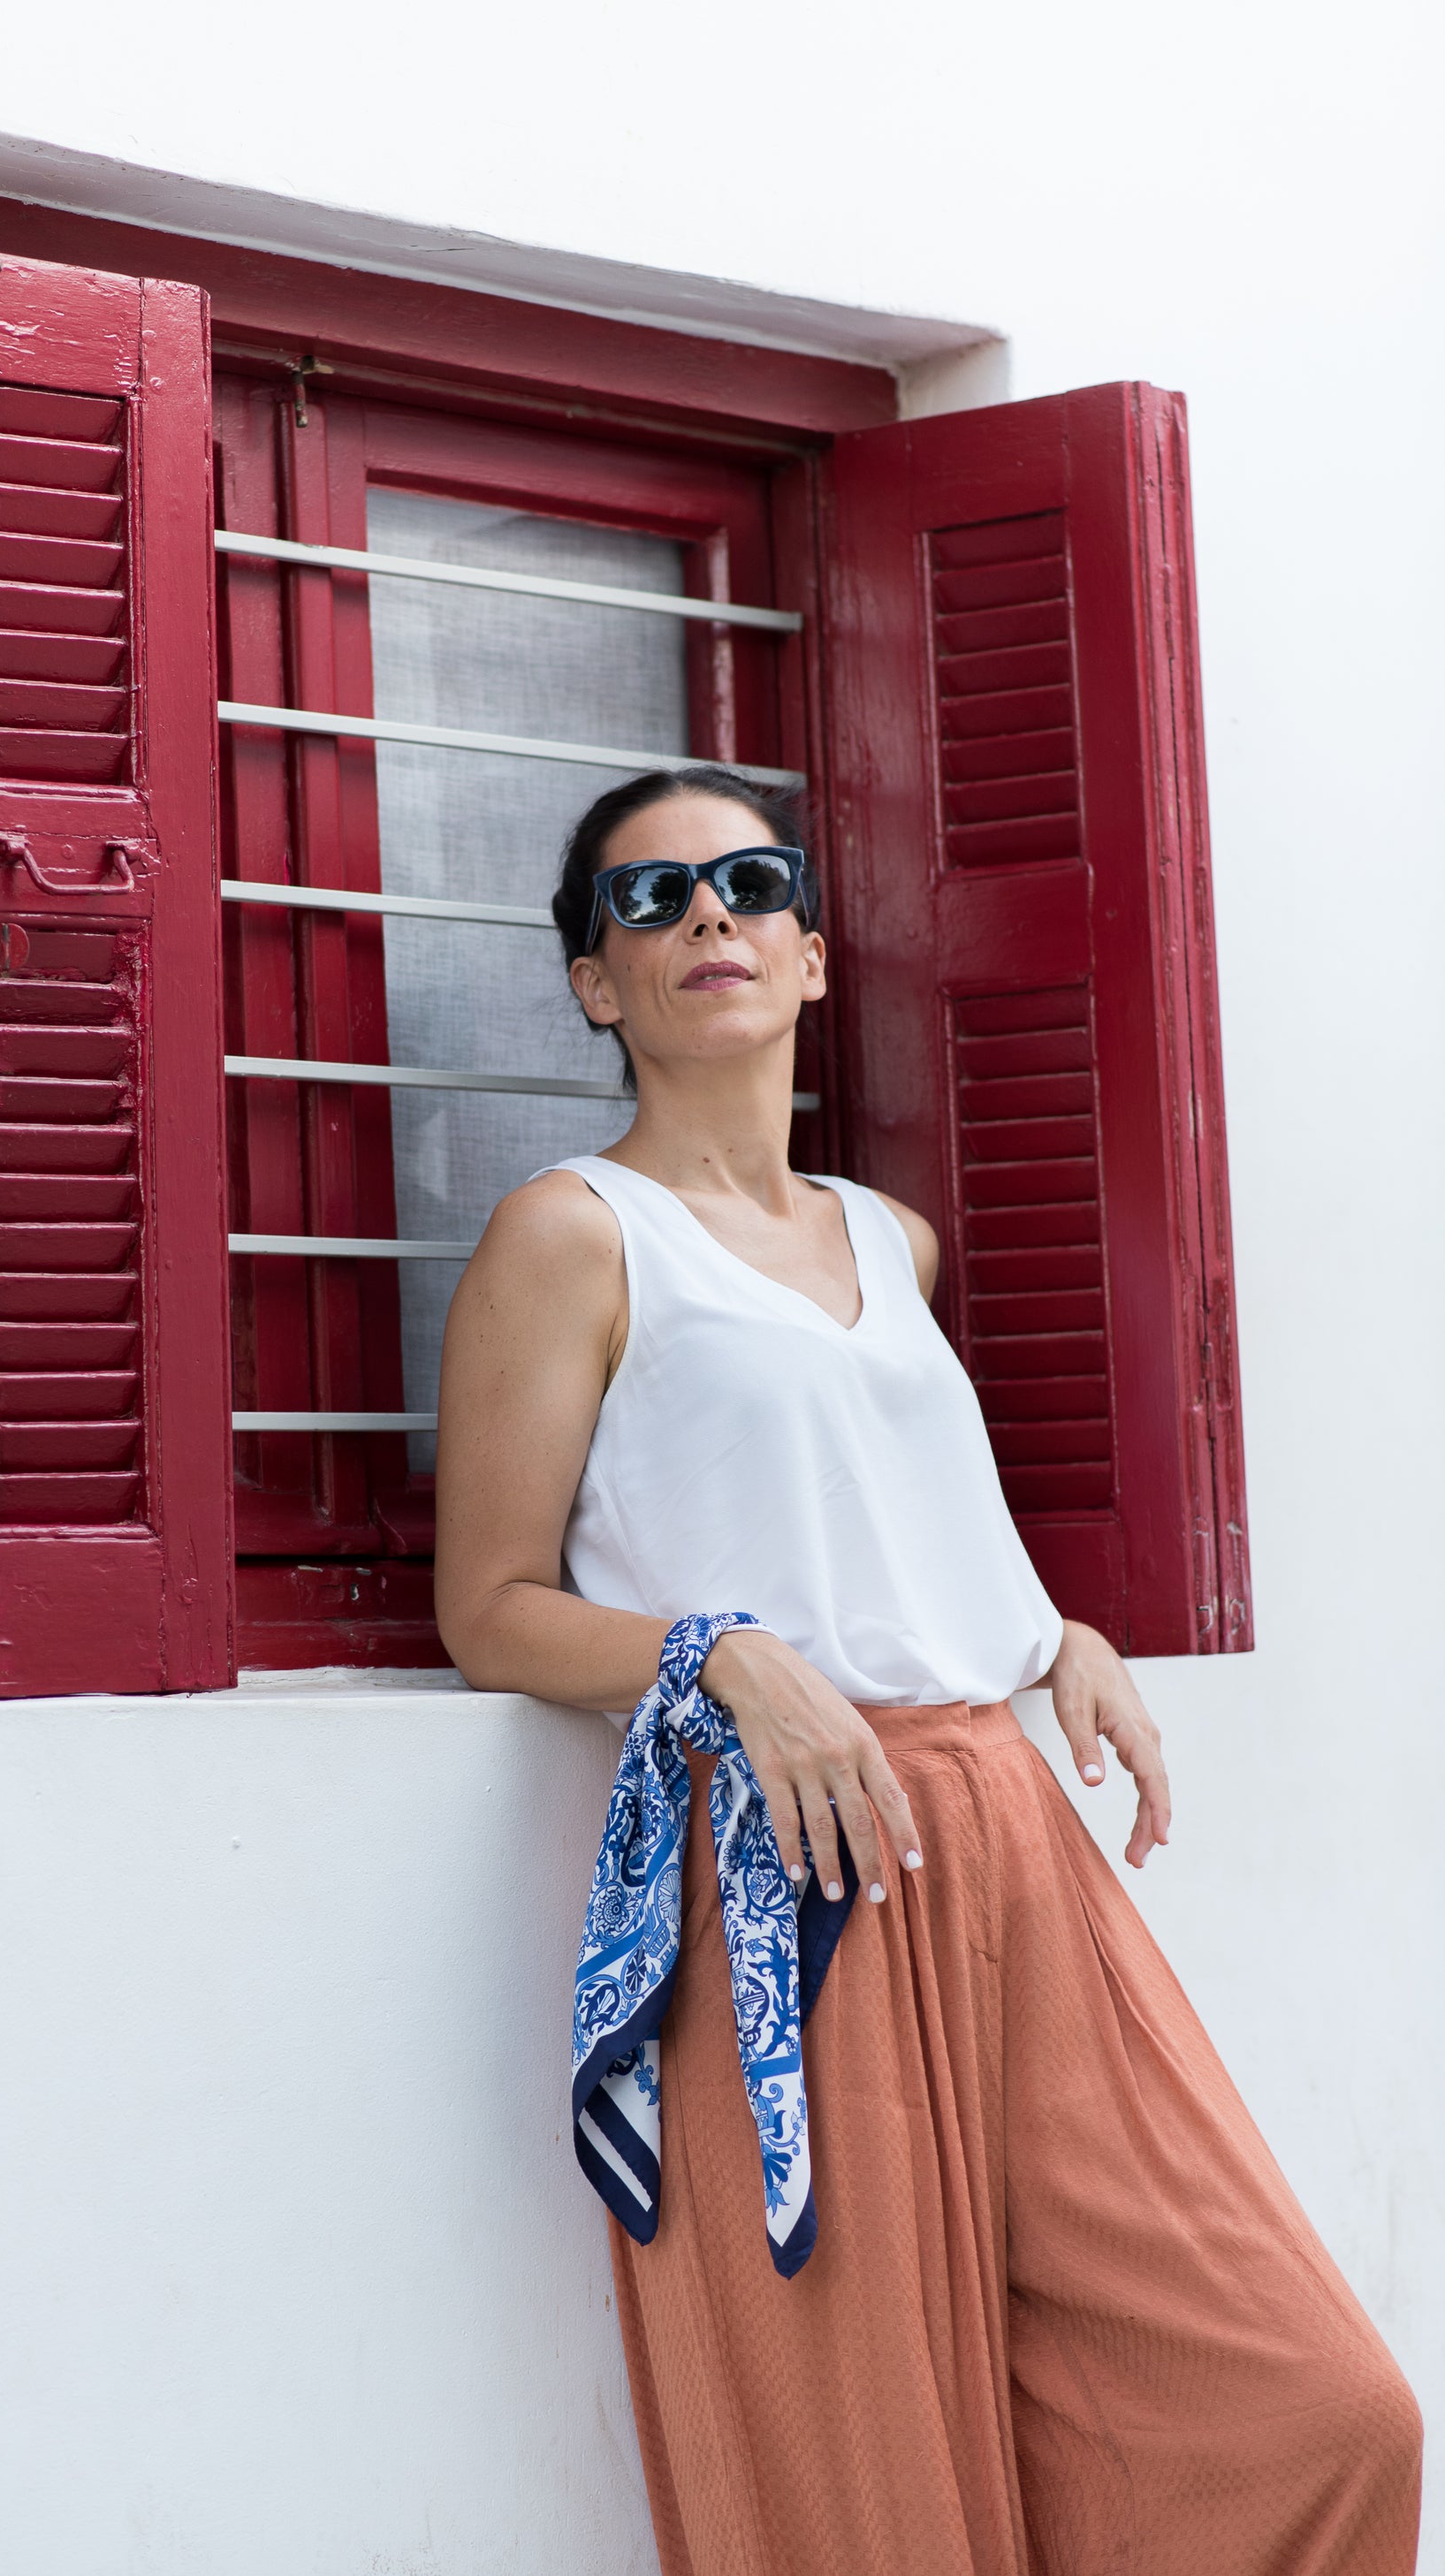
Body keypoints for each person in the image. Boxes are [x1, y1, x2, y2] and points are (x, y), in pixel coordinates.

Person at [433, 764, 1421, 2576]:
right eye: (649, 902)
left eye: (748, 884)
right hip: (786, 1865)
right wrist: (720, 1656)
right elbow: (488, 1603)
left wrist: (1056, 1633)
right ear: (596, 983)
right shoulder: (570, 1235)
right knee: (868, 2478)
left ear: (811, 954)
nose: (708, 919)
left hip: (1011, 1847)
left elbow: (876, 1506)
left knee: (1312, 2404)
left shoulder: (887, 1238)